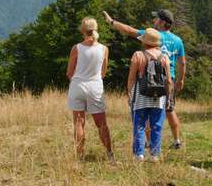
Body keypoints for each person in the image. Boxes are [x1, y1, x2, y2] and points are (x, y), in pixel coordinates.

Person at [104, 9, 186, 149]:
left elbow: (130, 31)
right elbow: (182, 62)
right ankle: (177, 140)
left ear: (161, 22)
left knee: (147, 109)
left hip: (148, 79)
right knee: (170, 110)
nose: (153, 21)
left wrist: (112, 22)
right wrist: (181, 79)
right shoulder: (178, 40)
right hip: (168, 79)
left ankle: (148, 142)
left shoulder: (151, 35)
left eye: (156, 19)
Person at [66, 17, 114, 162]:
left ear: (82, 30)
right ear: (96, 29)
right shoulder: (104, 49)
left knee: (79, 122)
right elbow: (103, 72)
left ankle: (79, 156)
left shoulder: (77, 48)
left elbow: (69, 72)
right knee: (101, 123)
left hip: (78, 85)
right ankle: (109, 154)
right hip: (95, 86)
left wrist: (76, 81)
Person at [127, 28, 173, 162]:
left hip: (140, 96)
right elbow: (168, 81)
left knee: (139, 125)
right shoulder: (164, 57)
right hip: (159, 98)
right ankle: (154, 155)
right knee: (156, 125)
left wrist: (130, 94)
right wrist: (169, 98)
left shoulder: (138, 55)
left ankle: (139, 154)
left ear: (145, 42)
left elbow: (131, 79)